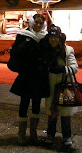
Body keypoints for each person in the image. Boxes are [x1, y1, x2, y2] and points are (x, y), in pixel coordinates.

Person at [9, 13, 49, 145]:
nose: (38, 25)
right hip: (26, 76)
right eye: (36, 22)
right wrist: (25, 44)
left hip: (40, 76)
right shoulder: (23, 36)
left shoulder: (45, 37)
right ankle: (21, 135)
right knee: (24, 104)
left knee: (37, 105)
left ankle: (33, 134)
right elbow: (15, 52)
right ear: (31, 23)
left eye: (40, 23)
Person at [41, 25, 78, 148]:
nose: (53, 40)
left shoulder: (67, 50)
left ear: (59, 37)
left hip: (64, 86)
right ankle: (50, 135)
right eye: (51, 37)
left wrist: (62, 69)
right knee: (52, 112)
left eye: (55, 37)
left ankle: (67, 136)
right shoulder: (46, 51)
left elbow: (75, 68)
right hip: (51, 86)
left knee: (65, 112)